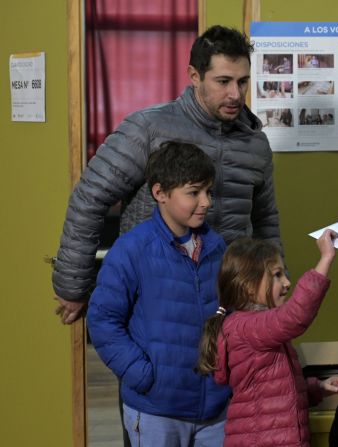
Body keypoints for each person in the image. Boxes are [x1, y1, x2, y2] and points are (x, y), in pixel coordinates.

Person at [53, 25, 282, 325]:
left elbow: (266, 222)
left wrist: (277, 282)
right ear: (195, 76)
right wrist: (73, 285)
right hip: (156, 299)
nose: (235, 94)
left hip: (229, 303)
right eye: (223, 81)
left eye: (243, 82)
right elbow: (89, 198)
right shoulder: (148, 129)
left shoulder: (256, 143)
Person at [87, 142, 230, 446]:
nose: (206, 202)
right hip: (156, 411)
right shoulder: (131, 250)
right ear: (160, 193)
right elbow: (102, 321)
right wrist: (144, 377)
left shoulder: (219, 248)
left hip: (216, 409)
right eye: (194, 193)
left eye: (208, 192)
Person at [197, 229, 338, 447]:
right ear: (248, 286)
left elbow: (275, 391)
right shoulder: (247, 327)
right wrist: (325, 259)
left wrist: (317, 388)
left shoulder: (262, 329)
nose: (287, 282)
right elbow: (296, 315)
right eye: (277, 275)